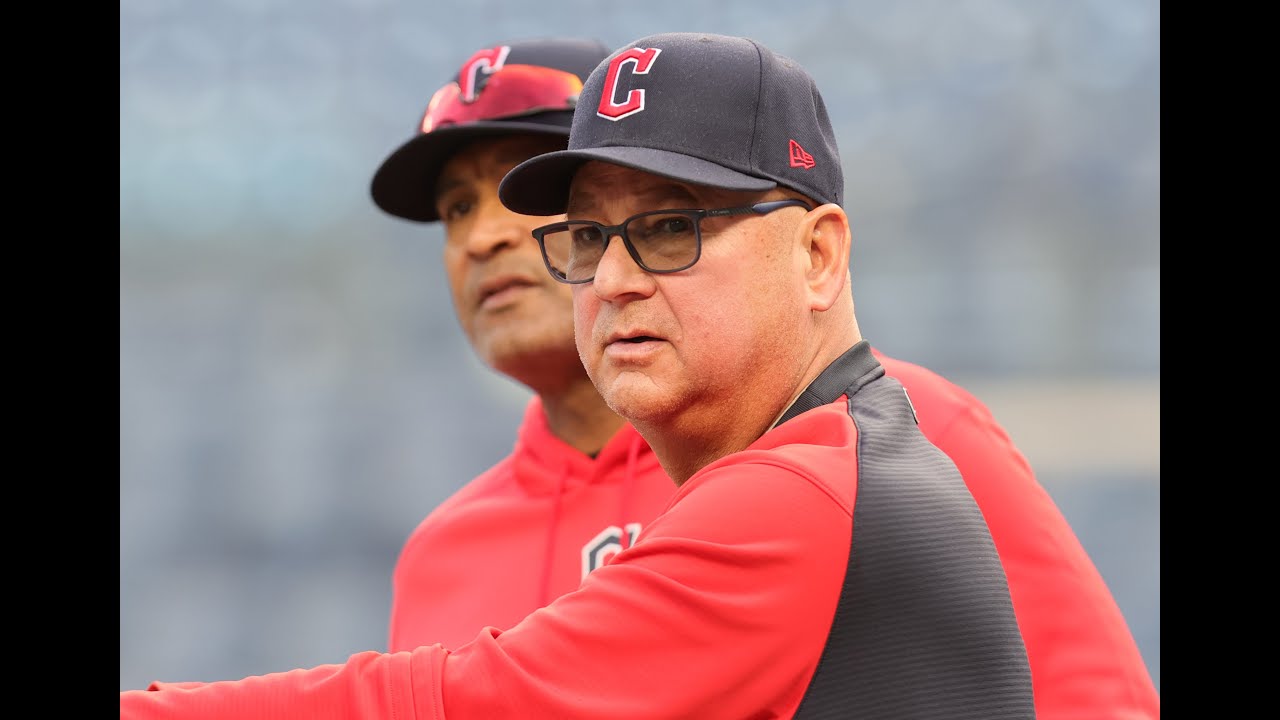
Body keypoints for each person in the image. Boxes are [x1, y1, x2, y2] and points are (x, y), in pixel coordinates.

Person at [117, 33, 1130, 719]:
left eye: (664, 225)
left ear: (816, 255)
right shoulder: (448, 545)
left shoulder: (846, 461)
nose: (488, 238)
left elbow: (477, 698)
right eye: (589, 231)